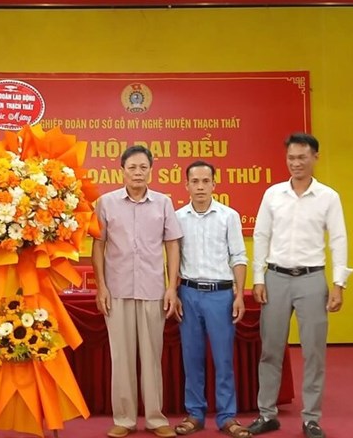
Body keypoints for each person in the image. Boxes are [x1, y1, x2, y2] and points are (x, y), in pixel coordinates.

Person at [247, 133, 353, 438]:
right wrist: (258, 277)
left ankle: (311, 419)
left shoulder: (328, 197)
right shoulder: (273, 194)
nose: (296, 163)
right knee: (271, 350)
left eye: (302, 158)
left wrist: (338, 283)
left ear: (315, 158)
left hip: (311, 280)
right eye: (291, 158)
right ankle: (267, 414)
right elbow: (262, 235)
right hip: (275, 278)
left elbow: (338, 239)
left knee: (314, 352)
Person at [92, 145, 183, 438]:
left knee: (152, 356)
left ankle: (156, 418)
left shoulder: (163, 203)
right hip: (117, 288)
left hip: (153, 288)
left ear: (151, 170)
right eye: (132, 167)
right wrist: (101, 286)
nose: (138, 173)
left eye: (143, 167)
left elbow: (172, 244)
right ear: (122, 170)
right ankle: (124, 418)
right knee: (122, 356)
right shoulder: (105, 203)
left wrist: (172, 287)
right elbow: (98, 245)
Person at [174, 161, 251, 438]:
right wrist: (173, 291)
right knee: (191, 358)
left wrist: (239, 294)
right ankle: (194, 413)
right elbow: (172, 260)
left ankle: (227, 416)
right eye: (195, 182)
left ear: (214, 184)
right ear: (186, 185)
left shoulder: (229, 216)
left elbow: (239, 257)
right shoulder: (177, 217)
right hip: (189, 293)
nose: (200, 187)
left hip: (221, 295)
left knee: (223, 360)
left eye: (206, 181)